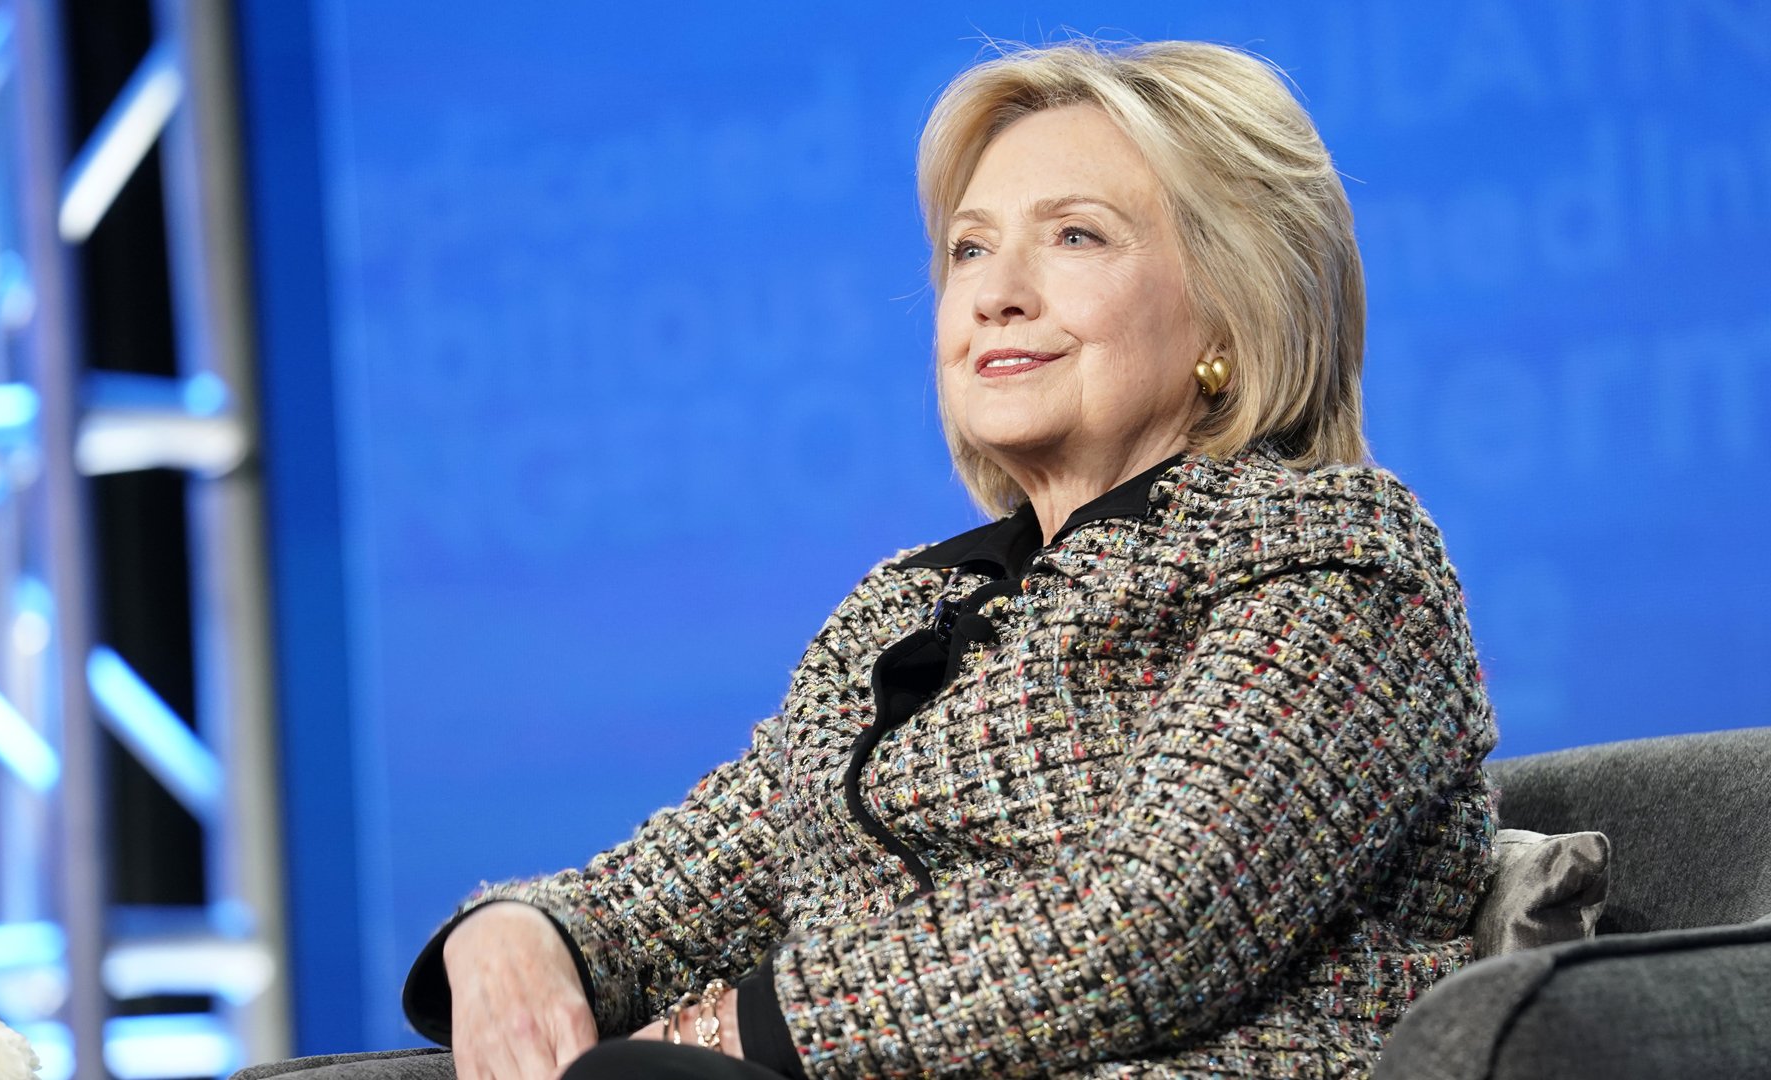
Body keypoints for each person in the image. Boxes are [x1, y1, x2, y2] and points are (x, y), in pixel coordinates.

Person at [402, 38, 1499, 1080]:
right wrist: (521, 931)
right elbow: (692, 880)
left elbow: (1158, 922)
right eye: (969, 248)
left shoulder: (1336, 560)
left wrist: (755, 1028)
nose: (993, 290)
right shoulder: (910, 606)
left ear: (1233, 304)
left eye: (1075, 236)